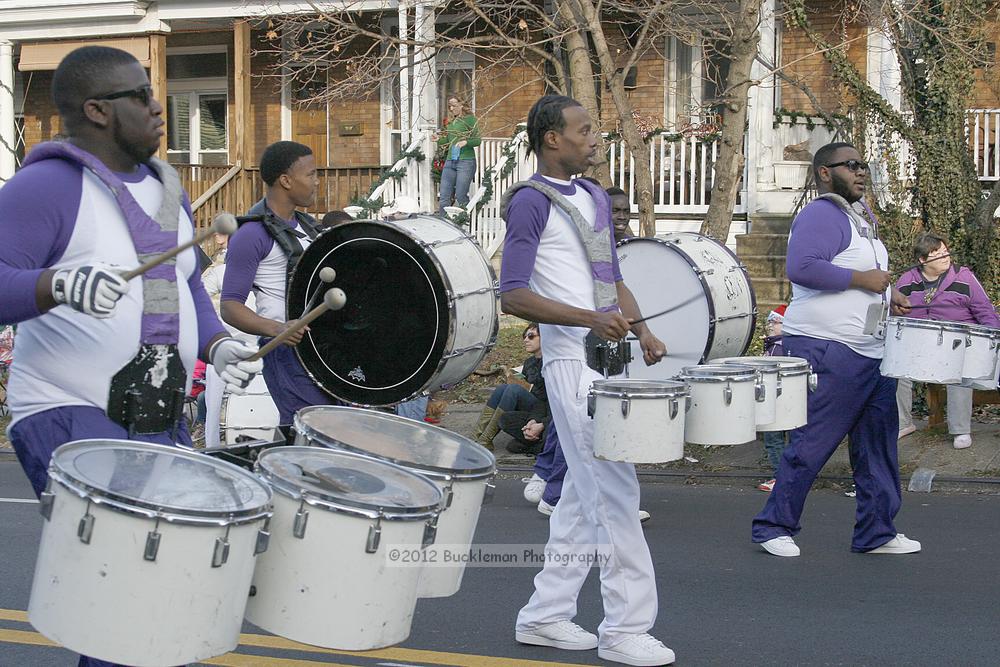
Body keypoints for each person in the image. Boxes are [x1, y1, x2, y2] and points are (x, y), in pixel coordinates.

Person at [0, 45, 261, 667]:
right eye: (141, 97)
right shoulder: (47, 186)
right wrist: (53, 284)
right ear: (97, 110)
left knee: (158, 595)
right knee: (133, 581)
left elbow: (187, 284)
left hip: (157, 419)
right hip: (66, 414)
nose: (158, 108)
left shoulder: (168, 188)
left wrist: (218, 343)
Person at [500, 94, 673, 666]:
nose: (595, 137)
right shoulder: (528, 202)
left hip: (607, 360)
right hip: (571, 363)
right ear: (553, 138)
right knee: (615, 491)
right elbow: (514, 293)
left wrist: (641, 327)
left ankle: (545, 616)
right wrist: (589, 319)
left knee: (581, 493)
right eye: (584, 129)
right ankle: (625, 629)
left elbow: (610, 274)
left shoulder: (595, 194)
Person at [750, 141, 921, 559]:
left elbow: (860, 271)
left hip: (871, 350)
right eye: (851, 165)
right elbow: (802, 268)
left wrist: (892, 292)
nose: (862, 172)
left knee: (878, 446)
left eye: (863, 165)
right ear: (825, 172)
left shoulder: (861, 217)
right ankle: (773, 527)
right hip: (829, 347)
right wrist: (863, 280)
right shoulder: (821, 213)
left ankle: (876, 532)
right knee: (813, 442)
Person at [221, 141, 338, 429]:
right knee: (313, 434)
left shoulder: (309, 227)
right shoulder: (252, 233)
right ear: (286, 180)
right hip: (287, 353)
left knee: (339, 435)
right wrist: (277, 329)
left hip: (325, 350)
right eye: (310, 174)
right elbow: (230, 306)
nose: (316, 181)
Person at [895, 232, 1000, 449]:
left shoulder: (964, 276)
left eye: (946, 252)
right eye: (938, 254)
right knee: (895, 369)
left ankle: (960, 430)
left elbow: (985, 311)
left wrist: (992, 339)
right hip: (918, 345)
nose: (945, 257)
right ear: (922, 260)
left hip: (957, 344)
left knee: (959, 367)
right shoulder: (907, 280)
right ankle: (903, 423)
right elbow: (894, 313)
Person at [471, 323, 549, 453]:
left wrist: (525, 386)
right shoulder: (529, 362)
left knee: (513, 389)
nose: (525, 340)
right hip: (530, 404)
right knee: (502, 388)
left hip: (544, 408)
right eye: (524, 336)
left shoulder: (550, 363)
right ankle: (476, 436)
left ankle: (486, 439)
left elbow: (547, 396)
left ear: (544, 338)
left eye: (531, 336)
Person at [758, 305, 789, 492]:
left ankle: (780, 477)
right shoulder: (775, 345)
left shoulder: (778, 347)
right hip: (785, 399)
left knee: (774, 438)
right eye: (769, 321)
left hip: (776, 399)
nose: (770, 325)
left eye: (775, 321)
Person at [435, 96, 480, 215]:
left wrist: (466, 142)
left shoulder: (470, 119)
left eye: (454, 105)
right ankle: (443, 224)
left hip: (466, 161)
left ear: (462, 105)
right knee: (444, 196)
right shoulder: (450, 122)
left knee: (460, 195)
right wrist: (438, 139)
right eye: (450, 106)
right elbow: (447, 141)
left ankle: (467, 221)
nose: (451, 108)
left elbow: (477, 140)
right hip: (450, 161)